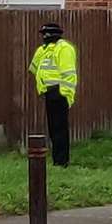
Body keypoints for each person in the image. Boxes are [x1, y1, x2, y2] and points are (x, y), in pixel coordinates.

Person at [28, 23, 78, 167]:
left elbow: (69, 74)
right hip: (48, 92)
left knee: (60, 129)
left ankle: (62, 161)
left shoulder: (64, 49)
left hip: (59, 92)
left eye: (47, 34)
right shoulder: (42, 50)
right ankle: (57, 160)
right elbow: (34, 68)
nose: (45, 37)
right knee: (53, 128)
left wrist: (66, 94)